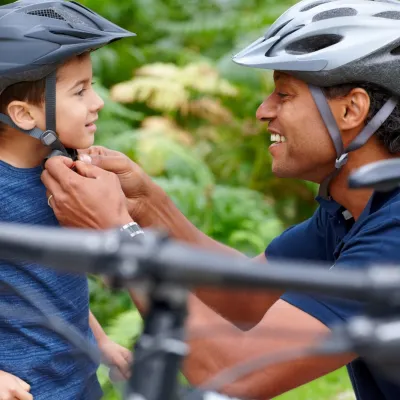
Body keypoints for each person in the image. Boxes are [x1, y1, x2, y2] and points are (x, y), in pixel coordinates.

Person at [41, 0, 400, 399]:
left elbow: (233, 372)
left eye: (284, 94)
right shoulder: (354, 213)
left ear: (352, 109)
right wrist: (147, 207)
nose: (264, 111)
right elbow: (250, 299)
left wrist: (119, 236)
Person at [0, 0, 136, 398]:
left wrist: (101, 344)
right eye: (80, 91)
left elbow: (49, 288)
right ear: (24, 115)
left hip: (77, 384)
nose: (98, 103)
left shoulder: (62, 178)